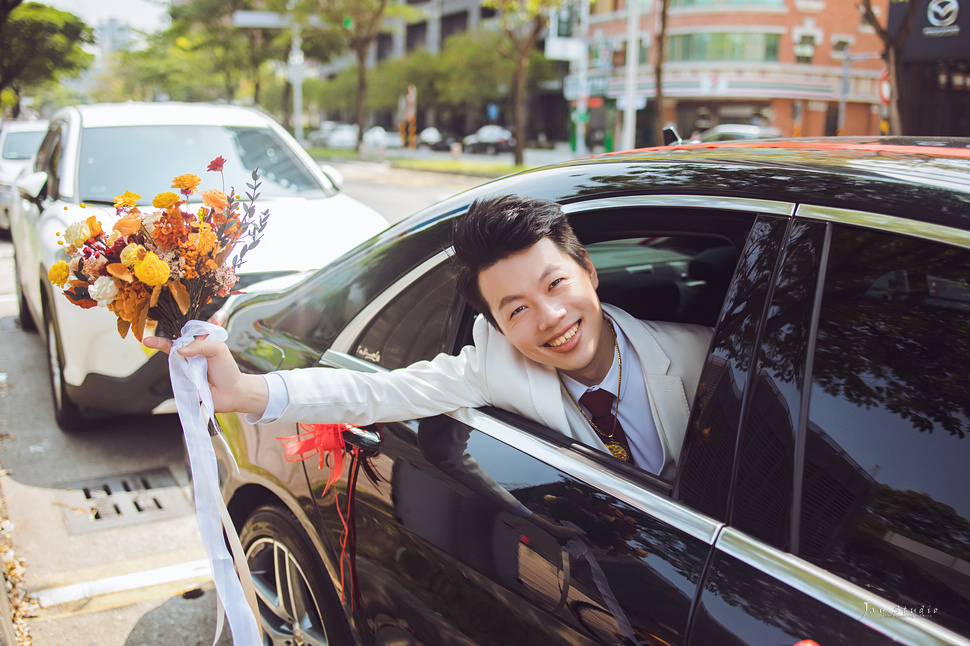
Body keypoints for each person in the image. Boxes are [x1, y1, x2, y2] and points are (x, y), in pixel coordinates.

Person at [145, 195, 712, 479]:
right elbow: (378, 393)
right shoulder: (495, 367)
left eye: (557, 283)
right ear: (494, 323)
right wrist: (244, 391)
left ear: (588, 268)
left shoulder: (702, 357)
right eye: (517, 309)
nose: (551, 319)